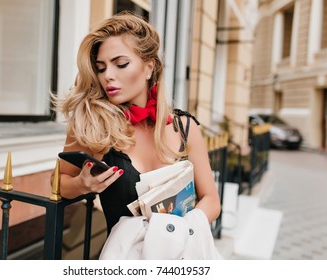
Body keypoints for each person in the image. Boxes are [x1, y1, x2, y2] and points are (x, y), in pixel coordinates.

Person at [55, 12, 221, 236]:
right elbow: (59, 183)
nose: (108, 76)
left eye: (121, 64)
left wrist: (180, 233)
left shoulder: (185, 127)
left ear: (149, 68)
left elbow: (211, 200)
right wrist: (82, 185)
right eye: (101, 68)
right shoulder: (93, 125)